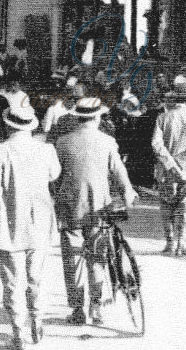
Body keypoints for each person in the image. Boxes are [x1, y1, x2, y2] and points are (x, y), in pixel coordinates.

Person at [0, 101, 61, 350]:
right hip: (40, 221)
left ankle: (17, 331)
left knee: (13, 281)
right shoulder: (46, 150)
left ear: (7, 125)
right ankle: (37, 319)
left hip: (10, 222)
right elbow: (54, 175)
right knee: (37, 276)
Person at [53, 97, 137, 326]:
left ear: (77, 117)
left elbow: (54, 178)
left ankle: (77, 309)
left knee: (73, 258)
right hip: (100, 208)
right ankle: (97, 306)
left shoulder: (62, 142)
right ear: (98, 117)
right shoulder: (108, 142)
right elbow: (119, 170)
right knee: (97, 256)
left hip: (70, 208)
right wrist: (127, 191)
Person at [151, 78, 186, 257]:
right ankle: (181, 243)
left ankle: (169, 242)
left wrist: (170, 162)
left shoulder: (163, 118)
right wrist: (181, 161)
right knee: (185, 206)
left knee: (167, 205)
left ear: (174, 99)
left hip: (166, 171)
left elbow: (156, 144)